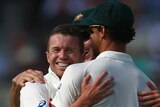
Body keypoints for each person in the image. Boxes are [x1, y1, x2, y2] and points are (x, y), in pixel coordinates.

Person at [51, 1, 157, 107]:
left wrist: (83, 103)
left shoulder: (78, 71)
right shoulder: (147, 84)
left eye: (91, 31)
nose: (90, 37)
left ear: (102, 30)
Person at [10, 24, 114, 107]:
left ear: (83, 56)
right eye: (56, 50)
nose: (63, 56)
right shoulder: (35, 84)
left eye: (70, 50)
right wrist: (83, 102)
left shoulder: (98, 86)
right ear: (48, 57)